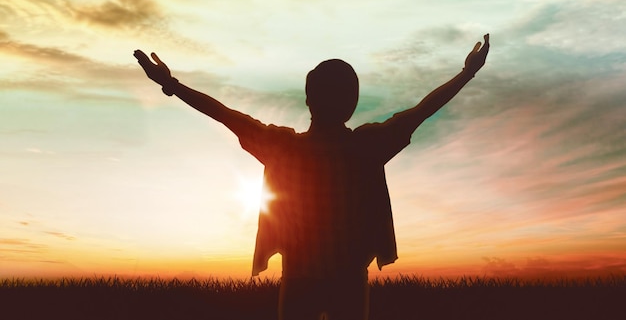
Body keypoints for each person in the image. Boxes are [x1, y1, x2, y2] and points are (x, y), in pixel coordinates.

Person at [134, 34, 490, 320]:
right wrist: (467, 73)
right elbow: (421, 111)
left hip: (300, 278)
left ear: (309, 100)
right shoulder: (367, 146)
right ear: (351, 103)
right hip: (349, 279)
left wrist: (172, 85)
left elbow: (226, 115)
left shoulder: (282, 147)